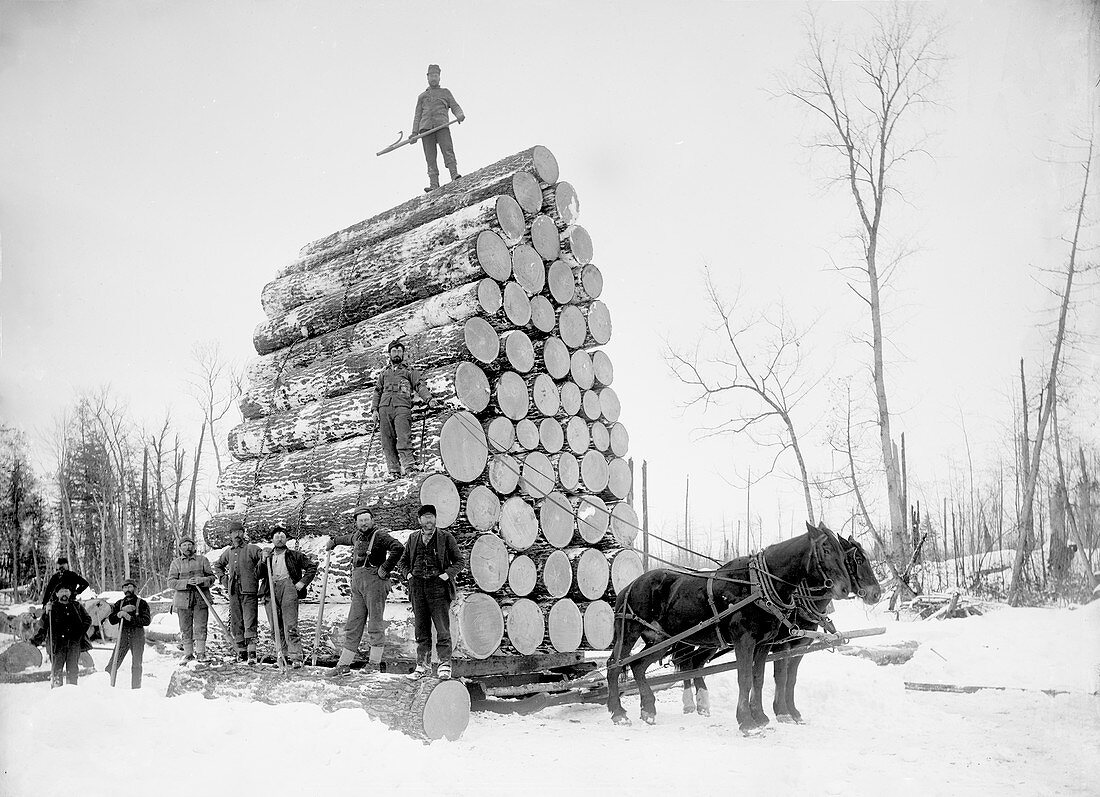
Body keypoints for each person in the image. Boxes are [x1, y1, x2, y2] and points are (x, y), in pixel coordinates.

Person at [325, 505, 404, 677]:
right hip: (358, 584)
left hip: (375, 583)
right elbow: (345, 538)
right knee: (353, 623)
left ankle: (374, 664)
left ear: (372, 520)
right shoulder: (356, 536)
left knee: (375, 624)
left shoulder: (380, 535)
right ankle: (344, 664)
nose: (364, 523)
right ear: (356, 523)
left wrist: (385, 568)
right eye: (361, 520)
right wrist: (334, 541)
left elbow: (398, 548)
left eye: (367, 520)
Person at [396, 504, 463, 680]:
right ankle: (422, 666)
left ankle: (444, 665)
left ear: (435, 519)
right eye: (425, 517)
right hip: (418, 588)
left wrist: (446, 575)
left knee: (442, 628)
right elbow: (402, 562)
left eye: (431, 516)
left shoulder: (445, 538)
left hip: (438, 588)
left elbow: (459, 561)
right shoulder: (413, 538)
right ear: (419, 520)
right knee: (421, 630)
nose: (428, 520)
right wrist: (408, 575)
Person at [372, 340, 440, 480]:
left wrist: (429, 399)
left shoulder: (409, 370)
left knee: (403, 438)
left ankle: (409, 467)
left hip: (402, 408)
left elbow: (419, 385)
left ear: (403, 354)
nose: (397, 354)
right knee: (387, 441)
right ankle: (394, 471)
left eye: (399, 351)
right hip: (384, 408)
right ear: (390, 354)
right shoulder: (384, 373)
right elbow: (377, 391)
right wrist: (374, 409)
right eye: (394, 351)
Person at [257, 522, 318, 669]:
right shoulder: (268, 555)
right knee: (275, 627)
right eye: (276, 537)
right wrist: (262, 561)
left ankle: (296, 657)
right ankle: (281, 656)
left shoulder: (294, 555)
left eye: (282, 537)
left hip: (289, 588)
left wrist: (302, 582)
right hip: (270, 590)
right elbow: (257, 575)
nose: (279, 539)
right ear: (272, 539)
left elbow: (311, 566)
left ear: (286, 540)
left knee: (290, 625)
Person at [214, 521, 264, 663]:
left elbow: (262, 556)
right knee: (237, 622)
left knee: (250, 620)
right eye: (234, 532)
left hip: (249, 591)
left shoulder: (251, 549)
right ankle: (241, 652)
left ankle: (252, 654)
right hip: (234, 591)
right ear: (230, 535)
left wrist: (265, 553)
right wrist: (224, 580)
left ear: (243, 533)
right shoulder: (228, 552)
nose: (237, 535)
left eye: (239, 532)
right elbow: (218, 565)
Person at [411, 63, 465, 192]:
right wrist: (414, 133)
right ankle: (434, 184)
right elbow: (417, 116)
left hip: (442, 126)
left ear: (439, 77)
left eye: (436, 75)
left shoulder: (445, 92)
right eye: (431, 76)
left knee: (447, 150)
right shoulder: (422, 97)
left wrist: (459, 114)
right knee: (430, 157)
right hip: (425, 130)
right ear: (427, 77)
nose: (433, 78)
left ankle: (454, 175)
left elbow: (455, 106)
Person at [167, 536, 216, 662]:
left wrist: (201, 580)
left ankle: (201, 653)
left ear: (193, 546)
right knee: (185, 627)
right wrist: (186, 583)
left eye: (190, 545)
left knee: (200, 626)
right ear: (180, 548)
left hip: (201, 599)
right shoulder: (176, 563)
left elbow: (212, 578)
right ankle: (188, 654)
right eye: (184, 545)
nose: (187, 547)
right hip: (183, 601)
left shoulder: (202, 560)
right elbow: (171, 582)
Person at [32, 586, 92, 688]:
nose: (64, 593)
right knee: (57, 670)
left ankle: (72, 691)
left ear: (69, 593)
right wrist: (46, 613)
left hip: (74, 643)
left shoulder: (76, 605)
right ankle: (56, 693)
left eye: (66, 591)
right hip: (57, 644)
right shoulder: (51, 607)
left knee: (73, 669)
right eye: (61, 591)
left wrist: (80, 632)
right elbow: (43, 625)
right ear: (56, 594)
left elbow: (88, 619)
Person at [106, 578, 152, 688]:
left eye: (130, 587)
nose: (127, 589)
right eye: (125, 587)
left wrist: (130, 618)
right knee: (113, 662)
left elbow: (146, 621)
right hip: (123, 635)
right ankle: (108, 686)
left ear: (135, 589)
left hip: (137, 636)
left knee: (136, 665)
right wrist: (118, 614)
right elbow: (111, 620)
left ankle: (136, 689)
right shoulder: (118, 603)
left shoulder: (142, 603)